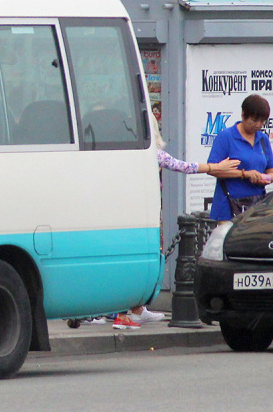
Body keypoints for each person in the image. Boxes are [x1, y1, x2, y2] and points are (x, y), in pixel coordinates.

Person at [108, 120, 240, 330]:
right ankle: (124, 315)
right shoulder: (150, 153)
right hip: (144, 214)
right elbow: (182, 166)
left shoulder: (120, 153)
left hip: (125, 213)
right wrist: (215, 167)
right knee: (142, 261)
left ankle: (134, 310)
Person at [208, 93, 273, 223]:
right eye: (254, 120)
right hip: (229, 206)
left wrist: (266, 178)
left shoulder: (263, 139)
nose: (258, 125)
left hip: (256, 206)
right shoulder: (226, 137)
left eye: (262, 121)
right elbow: (212, 169)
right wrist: (244, 174)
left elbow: (270, 169)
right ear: (243, 115)